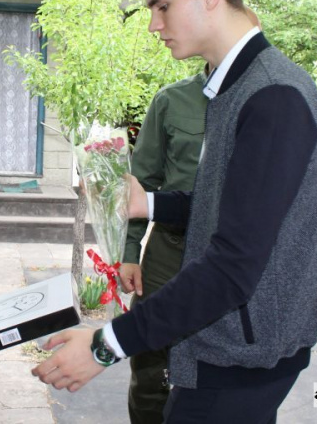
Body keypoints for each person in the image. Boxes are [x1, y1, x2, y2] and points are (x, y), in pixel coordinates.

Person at [31, 0, 317, 423]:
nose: (153, 24)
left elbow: (232, 267)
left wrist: (106, 345)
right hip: (225, 349)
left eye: (162, 5)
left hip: (239, 360)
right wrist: (144, 203)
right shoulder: (234, 90)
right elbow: (232, 208)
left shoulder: (272, 98)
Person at [120, 70, 208, 423]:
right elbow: (141, 181)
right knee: (150, 366)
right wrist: (129, 254)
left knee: (217, 371)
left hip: (229, 256)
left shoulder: (261, 98)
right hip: (169, 251)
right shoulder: (172, 99)